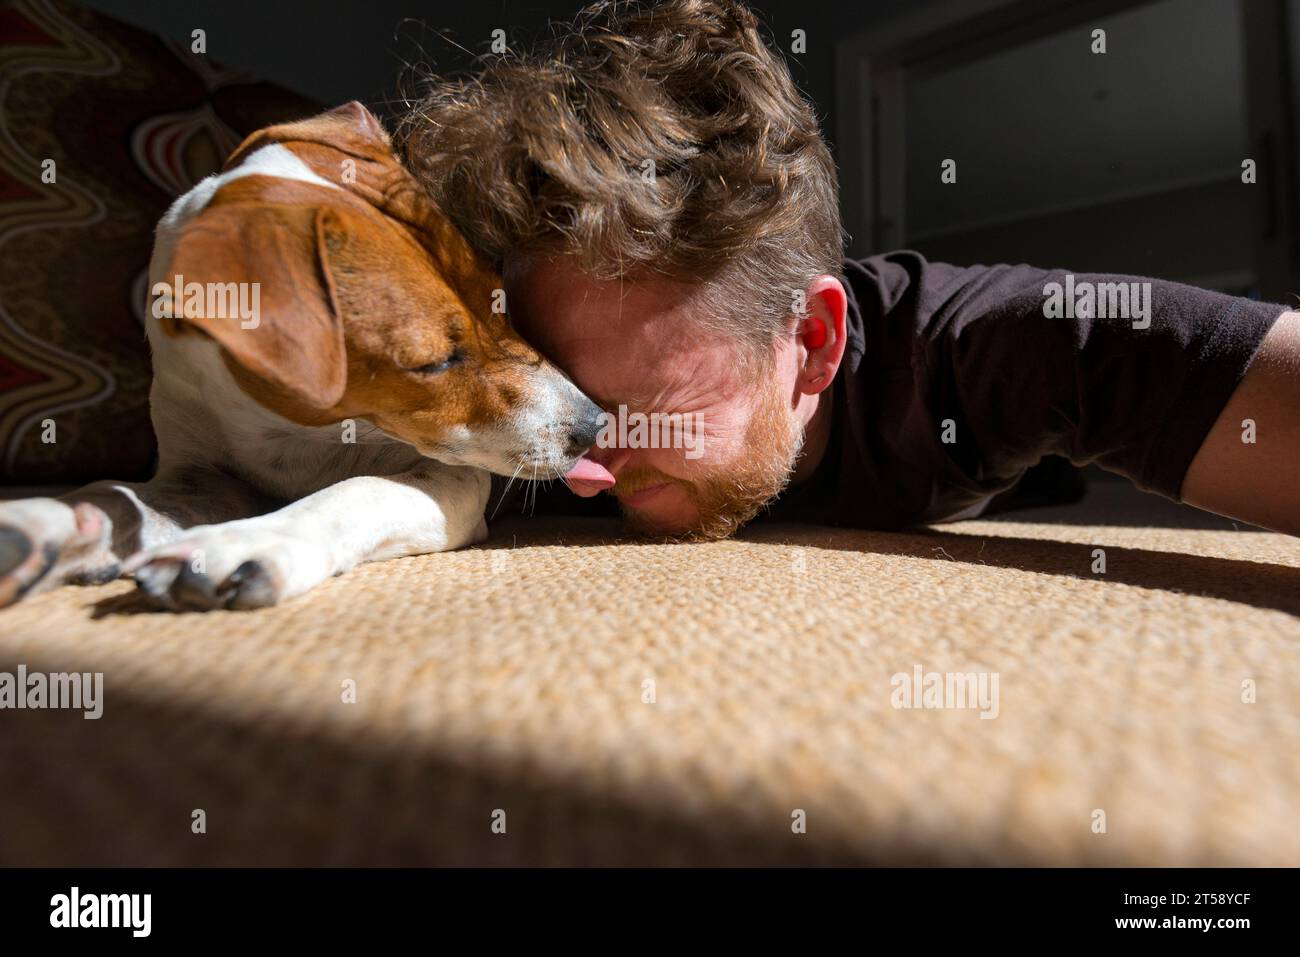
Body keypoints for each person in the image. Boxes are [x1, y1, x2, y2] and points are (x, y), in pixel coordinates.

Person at [400, 0, 1298, 540]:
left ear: (815, 340)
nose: (585, 467)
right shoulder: (528, 385)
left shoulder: (975, 349)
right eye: (563, 394)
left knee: (1048, 479)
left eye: (641, 416)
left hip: (1004, 459)